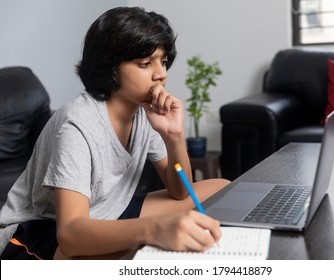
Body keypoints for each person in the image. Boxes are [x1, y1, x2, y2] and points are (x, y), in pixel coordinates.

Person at [0, 6, 229, 260]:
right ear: (110, 68)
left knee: (222, 190)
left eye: (163, 62)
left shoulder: (145, 110)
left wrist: (172, 135)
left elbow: (180, 192)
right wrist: (155, 229)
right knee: (129, 251)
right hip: (37, 233)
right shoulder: (77, 123)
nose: (161, 74)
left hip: (107, 211)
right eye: (145, 63)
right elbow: (71, 235)